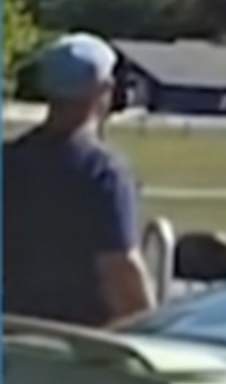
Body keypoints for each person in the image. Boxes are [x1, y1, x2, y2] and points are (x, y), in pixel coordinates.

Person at [3, 32, 155, 325]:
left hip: (13, 335)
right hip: (79, 343)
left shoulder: (9, 160)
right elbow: (121, 270)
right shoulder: (103, 173)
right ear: (105, 90)